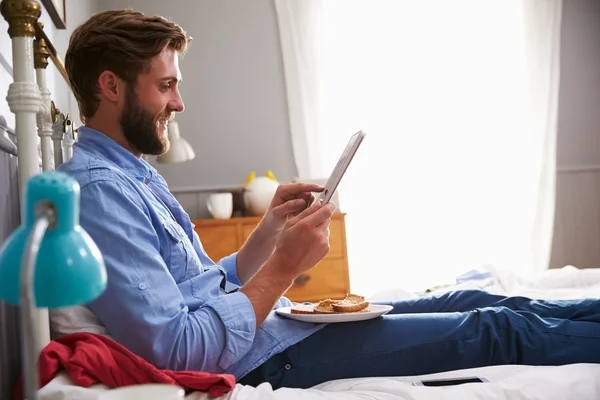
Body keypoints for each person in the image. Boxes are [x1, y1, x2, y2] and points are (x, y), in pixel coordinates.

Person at [57, 9, 600, 390]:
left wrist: (270, 230)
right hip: (265, 359)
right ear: (111, 85)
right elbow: (177, 348)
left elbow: (205, 285)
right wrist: (284, 269)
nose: (179, 102)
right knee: (491, 328)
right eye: (165, 85)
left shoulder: (132, 174)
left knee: (470, 299)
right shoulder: (101, 191)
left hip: (276, 327)